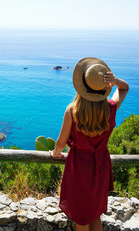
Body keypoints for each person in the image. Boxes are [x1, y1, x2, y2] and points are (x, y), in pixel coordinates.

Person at [49, 57, 129, 231]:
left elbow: (61, 143)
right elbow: (124, 89)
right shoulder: (110, 108)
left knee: (82, 217)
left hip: (79, 167)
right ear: (102, 87)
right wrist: (115, 81)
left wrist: (55, 153)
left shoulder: (73, 110)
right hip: (100, 165)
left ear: (81, 85)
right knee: (94, 213)